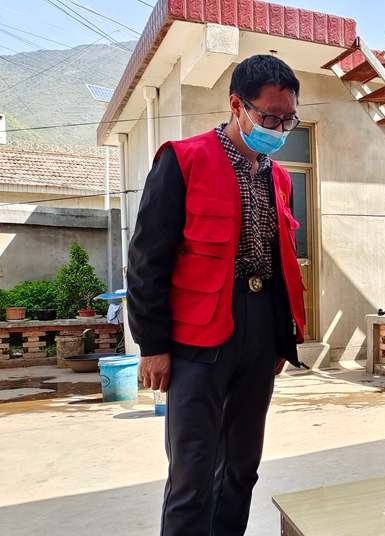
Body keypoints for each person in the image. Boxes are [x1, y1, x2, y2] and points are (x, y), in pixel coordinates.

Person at [127, 55, 307, 535]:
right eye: (270, 117)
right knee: (193, 473)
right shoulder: (183, 160)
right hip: (197, 337)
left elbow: (280, 261)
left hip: (259, 332)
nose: (279, 129)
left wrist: (280, 338)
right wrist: (153, 345)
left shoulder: (279, 178)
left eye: (288, 120)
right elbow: (147, 260)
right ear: (237, 105)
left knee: (242, 467)